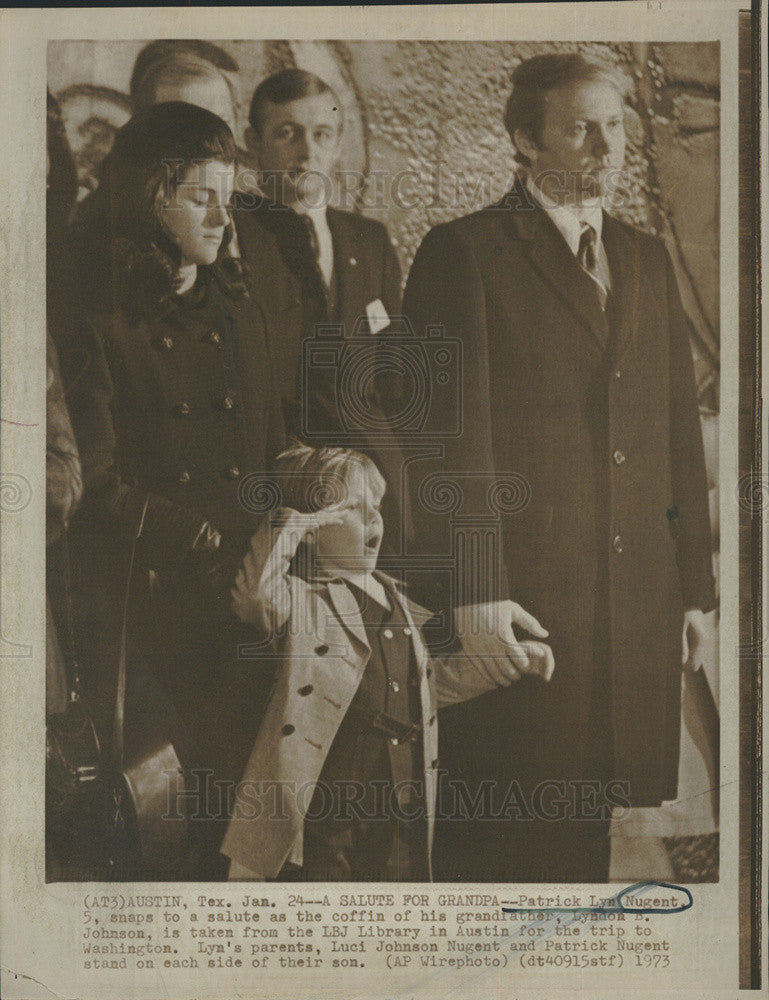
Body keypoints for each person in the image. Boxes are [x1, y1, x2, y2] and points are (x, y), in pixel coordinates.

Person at [399, 53, 717, 882]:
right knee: (503, 830)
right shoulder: (461, 253)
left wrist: (692, 590)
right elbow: (442, 439)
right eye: (579, 128)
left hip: (631, 606)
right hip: (520, 604)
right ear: (521, 139)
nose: (605, 148)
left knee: (584, 837)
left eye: (614, 125)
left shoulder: (642, 257)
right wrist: (475, 592)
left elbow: (676, 436)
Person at [62, 102, 286, 876]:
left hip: (254, 605)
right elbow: (93, 483)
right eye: (201, 196)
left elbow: (269, 446)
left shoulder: (240, 303)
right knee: (175, 833)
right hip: (153, 615)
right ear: (146, 197)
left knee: (259, 839)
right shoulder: (95, 317)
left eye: (230, 194)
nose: (226, 217)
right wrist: (203, 544)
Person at [221, 442, 553, 881]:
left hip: (399, 790)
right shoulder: (304, 600)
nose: (374, 518)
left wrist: (504, 662)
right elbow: (258, 594)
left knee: (396, 887)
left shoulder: (396, 596)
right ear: (317, 529)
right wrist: (296, 522)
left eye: (375, 505)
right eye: (354, 509)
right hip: (325, 800)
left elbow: (431, 682)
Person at [236, 69, 408, 556]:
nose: (306, 151)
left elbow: (395, 371)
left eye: (321, 134)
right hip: (284, 485)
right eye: (287, 133)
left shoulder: (368, 240)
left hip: (378, 487)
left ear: (338, 145)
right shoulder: (233, 233)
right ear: (253, 143)